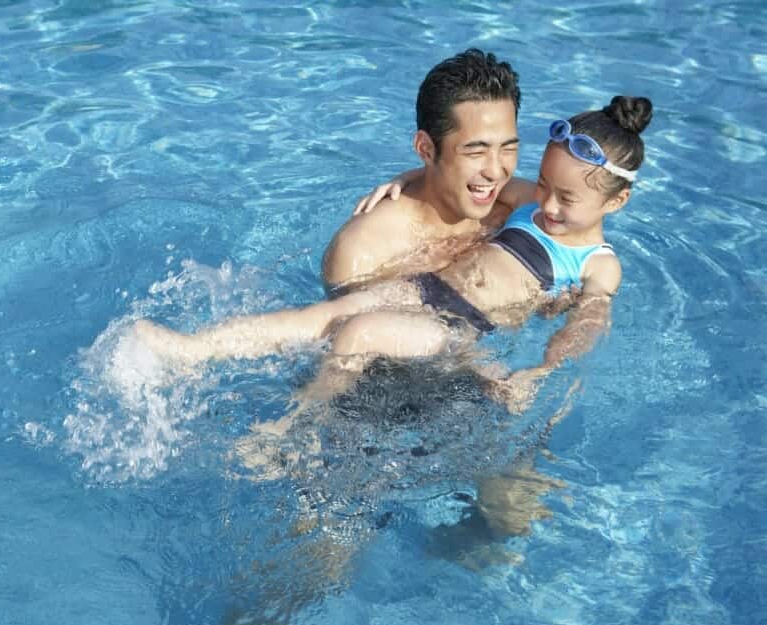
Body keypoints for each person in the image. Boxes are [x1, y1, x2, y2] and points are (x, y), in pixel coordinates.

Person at [135, 96, 652, 417]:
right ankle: (190, 352)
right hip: (427, 288)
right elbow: (459, 177)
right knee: (320, 317)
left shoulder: (599, 263)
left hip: (460, 330)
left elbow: (585, 327)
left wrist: (537, 374)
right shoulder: (530, 202)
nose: (550, 203)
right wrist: (403, 179)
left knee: (359, 332)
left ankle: (294, 426)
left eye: (568, 198)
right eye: (544, 183)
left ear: (616, 201)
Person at [319, 48, 524, 294]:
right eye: (475, 152)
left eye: (508, 148)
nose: (495, 171)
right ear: (426, 149)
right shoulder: (364, 250)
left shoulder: (514, 212)